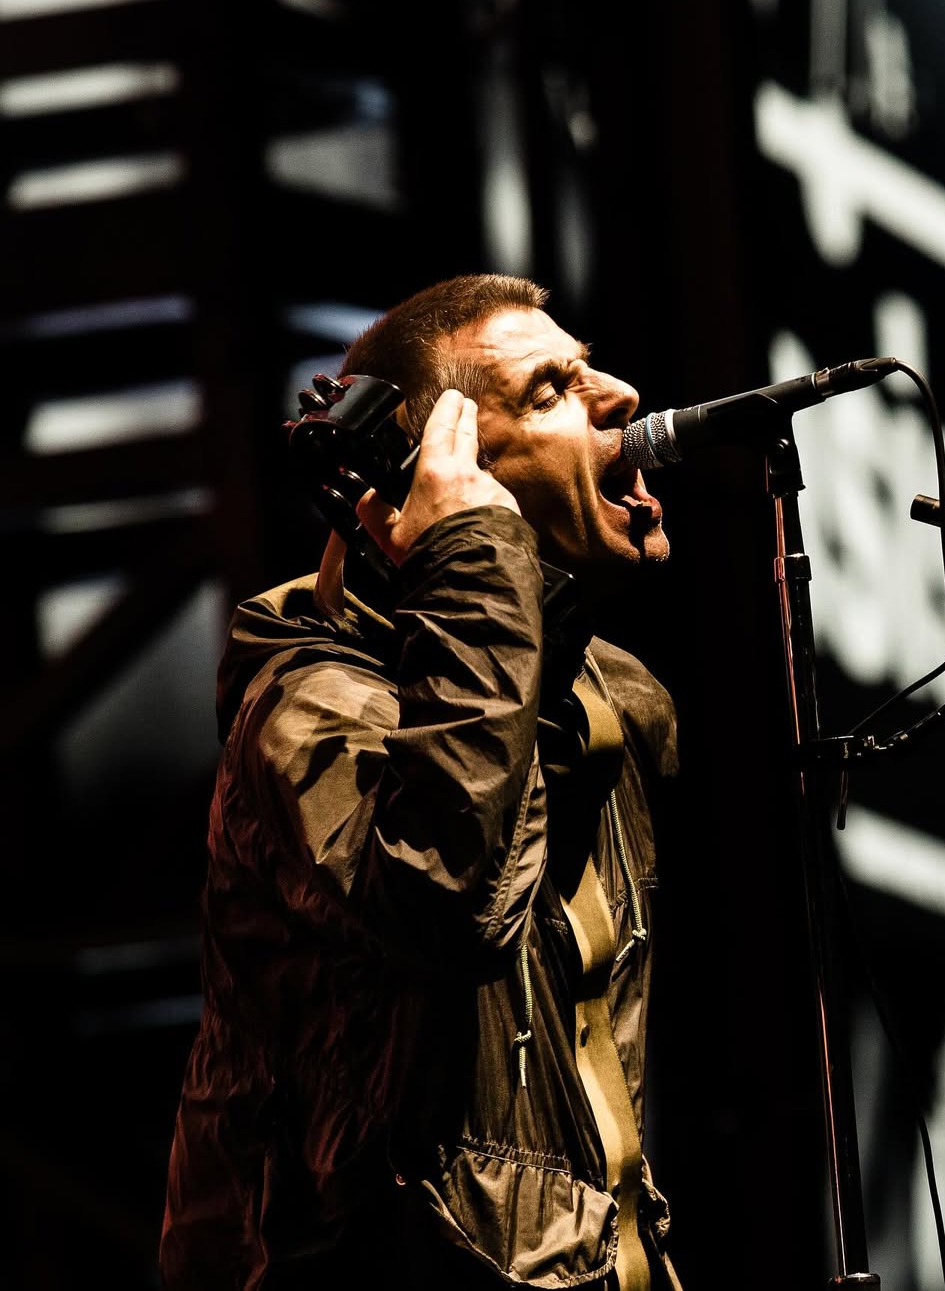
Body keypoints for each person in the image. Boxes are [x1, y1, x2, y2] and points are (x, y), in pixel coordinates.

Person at [159, 273, 682, 1289]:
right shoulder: (308, 704)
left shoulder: (607, 705)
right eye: (550, 389)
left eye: (586, 367)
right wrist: (474, 558)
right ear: (427, 477)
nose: (619, 394)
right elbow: (448, 900)